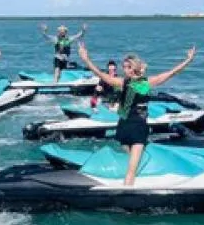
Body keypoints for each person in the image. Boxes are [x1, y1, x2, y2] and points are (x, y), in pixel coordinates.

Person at [79, 42, 196, 185]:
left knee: (131, 162)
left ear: (133, 68)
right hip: (137, 128)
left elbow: (102, 75)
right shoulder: (146, 83)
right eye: (124, 67)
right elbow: (171, 73)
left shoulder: (123, 82)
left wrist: (86, 60)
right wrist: (188, 61)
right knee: (131, 170)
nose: (124, 69)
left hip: (123, 127)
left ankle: (133, 179)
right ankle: (127, 195)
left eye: (127, 67)